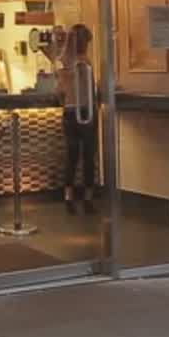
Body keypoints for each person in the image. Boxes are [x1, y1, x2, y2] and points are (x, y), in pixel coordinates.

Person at [56, 23, 97, 214]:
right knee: (88, 156)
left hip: (70, 112)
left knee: (71, 156)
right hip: (87, 112)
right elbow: (91, 90)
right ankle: (88, 198)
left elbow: (59, 92)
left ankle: (68, 196)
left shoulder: (63, 62)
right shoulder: (86, 63)